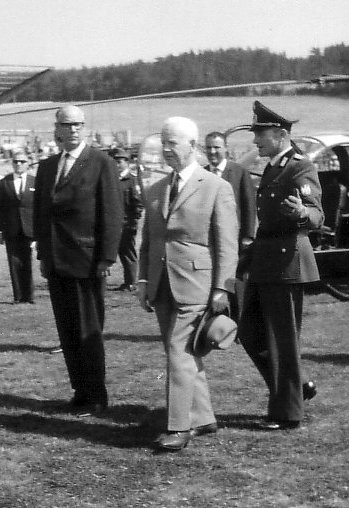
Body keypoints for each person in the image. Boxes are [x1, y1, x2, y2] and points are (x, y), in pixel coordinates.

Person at [138, 117, 238, 451]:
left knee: (178, 352)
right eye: (163, 143)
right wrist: (143, 280)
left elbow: (227, 244)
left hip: (197, 285)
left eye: (173, 143)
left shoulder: (216, 187)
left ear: (193, 146)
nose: (166, 149)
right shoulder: (156, 189)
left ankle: (178, 427)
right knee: (185, 351)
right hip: (161, 285)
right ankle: (204, 418)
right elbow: (149, 241)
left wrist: (222, 287)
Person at [237, 101, 324, 431]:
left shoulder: (300, 167)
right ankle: (296, 386)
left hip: (287, 263)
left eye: (260, 134)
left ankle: (287, 413)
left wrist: (301, 213)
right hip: (266, 261)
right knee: (249, 333)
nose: (255, 140)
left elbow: (316, 215)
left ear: (280, 134)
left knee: (281, 341)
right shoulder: (275, 167)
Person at [33, 105, 123, 415]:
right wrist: (43, 254)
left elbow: (112, 213)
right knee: (68, 330)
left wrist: (107, 257)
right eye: (67, 124)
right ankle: (80, 390)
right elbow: (41, 214)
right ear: (56, 128)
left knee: (88, 330)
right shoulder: (48, 167)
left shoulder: (101, 163)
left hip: (87, 260)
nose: (73, 129)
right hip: (56, 261)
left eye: (78, 124)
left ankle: (96, 394)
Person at [205, 131, 257, 318]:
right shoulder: (202, 173)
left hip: (235, 242)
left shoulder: (239, 172)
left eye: (216, 147)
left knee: (235, 283)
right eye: (209, 148)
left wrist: (248, 237)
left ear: (225, 148)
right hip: (210, 242)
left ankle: (240, 322)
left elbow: (249, 206)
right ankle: (216, 322)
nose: (212, 151)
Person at [0, 150, 36, 303]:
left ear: (28, 163)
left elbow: (39, 208)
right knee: (14, 262)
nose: (19, 164)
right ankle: (18, 296)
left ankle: (29, 295)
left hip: (29, 228)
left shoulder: (34, 181)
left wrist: (38, 232)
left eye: (22, 161)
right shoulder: (4, 182)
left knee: (28, 261)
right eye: (16, 161)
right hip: (11, 228)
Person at [111, 147, 144, 291]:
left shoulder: (132, 180)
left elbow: (138, 203)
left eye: (120, 161)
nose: (117, 164)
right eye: (114, 161)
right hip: (113, 223)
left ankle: (131, 282)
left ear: (127, 162)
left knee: (127, 252)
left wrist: (133, 220)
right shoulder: (111, 179)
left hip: (127, 224)